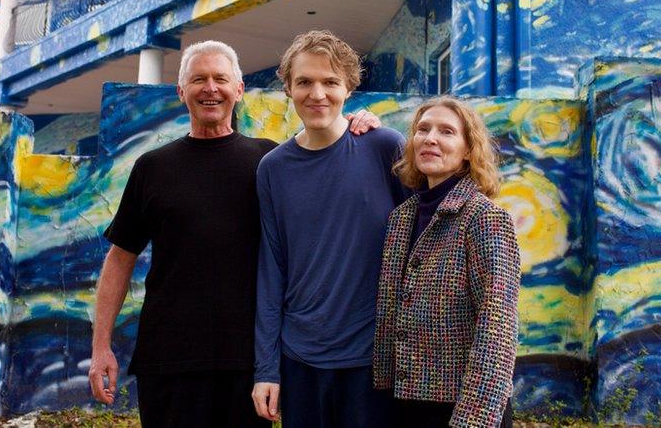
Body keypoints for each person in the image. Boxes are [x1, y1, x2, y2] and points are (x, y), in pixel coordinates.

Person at [88, 39, 378, 428]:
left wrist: (363, 123)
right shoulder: (152, 168)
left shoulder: (271, 162)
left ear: (239, 90)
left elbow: (329, 161)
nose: (210, 88)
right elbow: (120, 257)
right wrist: (100, 345)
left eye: (221, 79)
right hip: (169, 359)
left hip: (248, 363)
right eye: (198, 80)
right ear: (181, 92)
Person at [252, 30, 407, 428]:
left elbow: (422, 245)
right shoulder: (272, 168)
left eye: (330, 82)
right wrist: (266, 369)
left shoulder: (384, 147)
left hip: (375, 359)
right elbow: (272, 272)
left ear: (350, 87)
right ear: (287, 87)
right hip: (299, 358)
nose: (317, 93)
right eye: (304, 81)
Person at [373, 96, 520, 428]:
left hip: (462, 407)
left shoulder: (485, 218)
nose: (430, 139)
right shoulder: (402, 217)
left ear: (468, 149)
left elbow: (497, 326)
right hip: (404, 402)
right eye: (422, 129)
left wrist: (474, 418)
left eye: (447, 132)